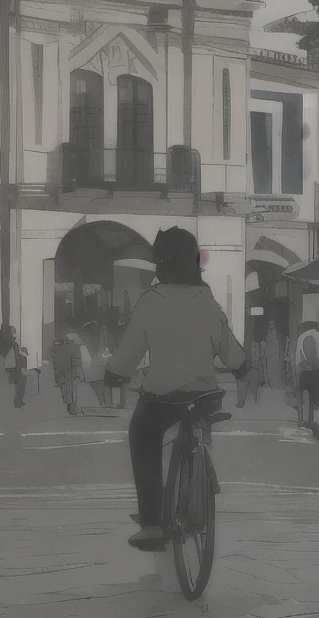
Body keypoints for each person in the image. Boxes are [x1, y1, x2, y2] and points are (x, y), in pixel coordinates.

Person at [102, 227, 248, 550]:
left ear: (161, 263)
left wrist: (114, 374)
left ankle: (152, 523)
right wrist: (241, 367)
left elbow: (128, 354)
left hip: (163, 400)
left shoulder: (151, 301)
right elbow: (229, 348)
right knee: (194, 427)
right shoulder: (207, 300)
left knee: (142, 434)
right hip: (205, 397)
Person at [295, 320, 319, 428]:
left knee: (306, 397)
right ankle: (307, 421)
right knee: (309, 396)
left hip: (303, 370)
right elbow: (311, 355)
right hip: (308, 371)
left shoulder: (303, 336)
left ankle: (305, 420)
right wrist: (317, 367)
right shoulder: (309, 337)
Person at [52, 333, 81, 415]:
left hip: (61, 373)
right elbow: (77, 361)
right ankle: (73, 407)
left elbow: (55, 362)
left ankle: (69, 405)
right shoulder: (73, 347)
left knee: (66, 390)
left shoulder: (56, 349)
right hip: (71, 372)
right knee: (73, 391)